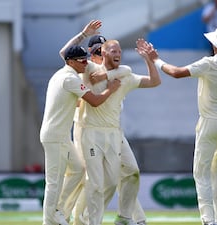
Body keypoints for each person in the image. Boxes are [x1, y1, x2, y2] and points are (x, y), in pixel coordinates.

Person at [148, 26, 217, 225]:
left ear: (216, 45)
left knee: (201, 172)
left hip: (210, 122)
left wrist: (155, 60)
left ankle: (208, 220)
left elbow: (177, 73)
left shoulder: (209, 63)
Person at [58, 20, 151, 225]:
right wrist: (83, 34)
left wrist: (109, 74)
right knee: (88, 178)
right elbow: (66, 55)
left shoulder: (115, 71)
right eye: (98, 51)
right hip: (86, 128)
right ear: (91, 54)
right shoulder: (85, 69)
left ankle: (132, 218)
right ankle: (67, 216)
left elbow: (126, 70)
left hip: (113, 130)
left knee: (120, 176)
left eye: (105, 50)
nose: (102, 55)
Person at [76, 37, 160, 225]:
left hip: (113, 134)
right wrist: (83, 34)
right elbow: (65, 55)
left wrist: (148, 60)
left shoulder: (124, 76)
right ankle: (89, 221)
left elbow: (154, 81)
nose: (118, 54)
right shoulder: (91, 69)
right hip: (91, 131)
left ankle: (123, 218)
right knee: (95, 182)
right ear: (103, 53)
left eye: (120, 52)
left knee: (117, 181)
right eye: (113, 51)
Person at [40, 45, 121, 225]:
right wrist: (111, 89)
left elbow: (74, 102)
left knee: (78, 169)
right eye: (82, 60)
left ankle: (59, 210)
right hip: (55, 137)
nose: (86, 62)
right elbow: (94, 101)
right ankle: (49, 221)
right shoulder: (70, 79)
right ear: (71, 62)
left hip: (60, 136)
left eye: (86, 58)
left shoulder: (61, 75)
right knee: (54, 182)